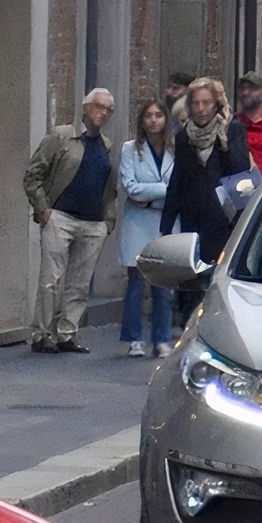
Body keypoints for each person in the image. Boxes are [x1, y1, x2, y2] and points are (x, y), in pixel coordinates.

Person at [23, 88, 119, 355]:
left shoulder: (106, 146)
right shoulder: (62, 136)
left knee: (79, 283)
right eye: (99, 107)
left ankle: (66, 333)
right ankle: (41, 334)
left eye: (108, 110)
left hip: (93, 223)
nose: (103, 113)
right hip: (60, 217)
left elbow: (110, 189)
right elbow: (33, 175)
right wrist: (43, 209)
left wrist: (108, 221)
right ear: (85, 107)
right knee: (51, 279)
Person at [162, 76, 251, 319]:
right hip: (193, 219)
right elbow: (177, 181)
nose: (201, 109)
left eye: (207, 103)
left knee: (219, 280)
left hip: (225, 219)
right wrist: (166, 226)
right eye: (196, 103)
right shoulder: (183, 137)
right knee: (194, 282)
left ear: (217, 105)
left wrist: (224, 141)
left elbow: (240, 171)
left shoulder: (233, 129)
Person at [117, 99, 173, 360]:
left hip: (165, 221)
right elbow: (130, 188)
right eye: (148, 116)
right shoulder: (130, 150)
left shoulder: (176, 150)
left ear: (165, 120)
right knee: (137, 281)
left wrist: (149, 197)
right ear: (141, 121)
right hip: (138, 222)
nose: (153, 120)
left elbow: (178, 189)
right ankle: (134, 339)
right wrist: (164, 192)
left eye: (158, 115)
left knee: (163, 282)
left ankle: (162, 339)